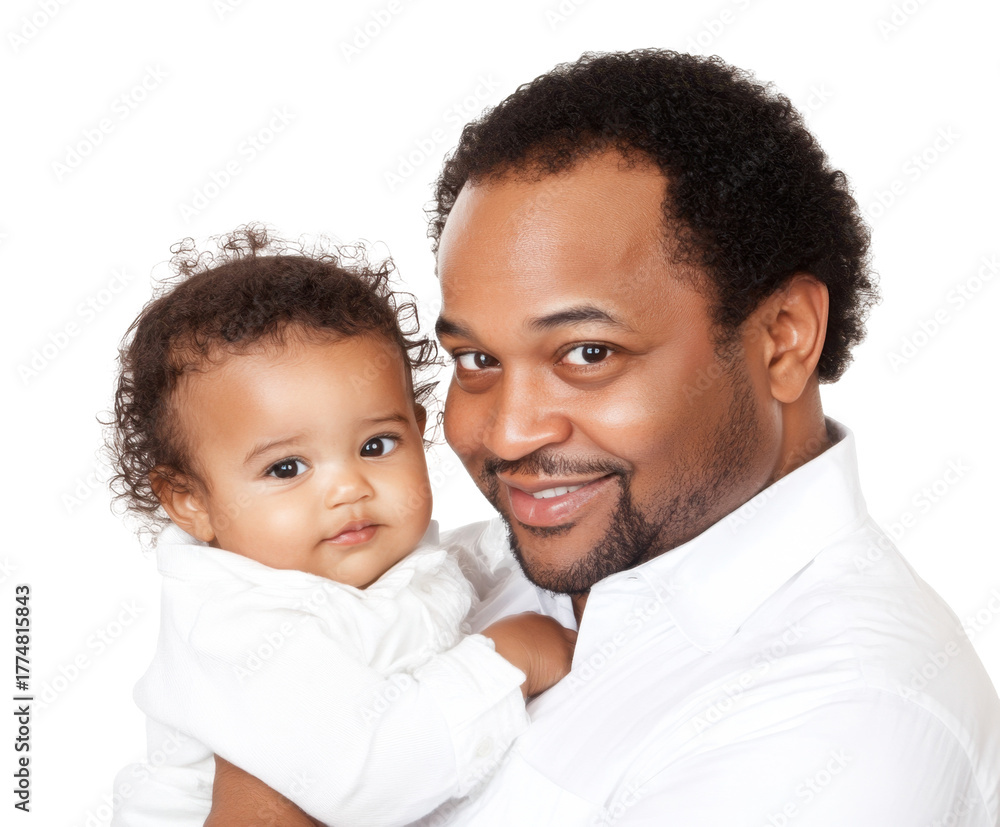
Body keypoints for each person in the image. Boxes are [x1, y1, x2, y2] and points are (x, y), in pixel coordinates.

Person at [211, 50, 1000, 825]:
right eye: (477, 360)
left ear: (783, 338)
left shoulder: (850, 718)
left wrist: (272, 750)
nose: (509, 433)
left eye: (588, 354)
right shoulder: (464, 571)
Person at [107, 227, 575, 827]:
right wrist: (506, 661)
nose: (349, 487)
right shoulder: (238, 628)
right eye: (286, 468)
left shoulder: (370, 564)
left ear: (419, 430)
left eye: (376, 445)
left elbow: (446, 574)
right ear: (189, 500)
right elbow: (373, 782)